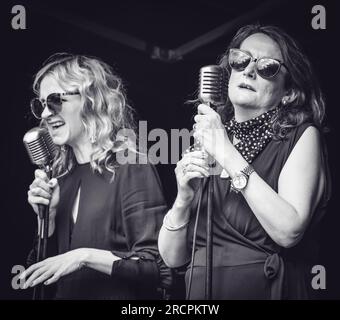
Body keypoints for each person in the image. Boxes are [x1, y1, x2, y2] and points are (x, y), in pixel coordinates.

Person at [158, 24, 331, 300]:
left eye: (267, 67)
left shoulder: (300, 137)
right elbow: (173, 259)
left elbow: (289, 230)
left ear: (287, 92)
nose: (249, 70)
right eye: (240, 60)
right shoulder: (210, 140)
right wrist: (183, 199)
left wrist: (226, 152)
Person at [21, 53, 171, 299]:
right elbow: (38, 278)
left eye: (55, 101)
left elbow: (156, 268)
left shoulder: (130, 165)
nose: (45, 114)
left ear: (90, 100)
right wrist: (45, 221)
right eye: (41, 105)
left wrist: (83, 256)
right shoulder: (60, 178)